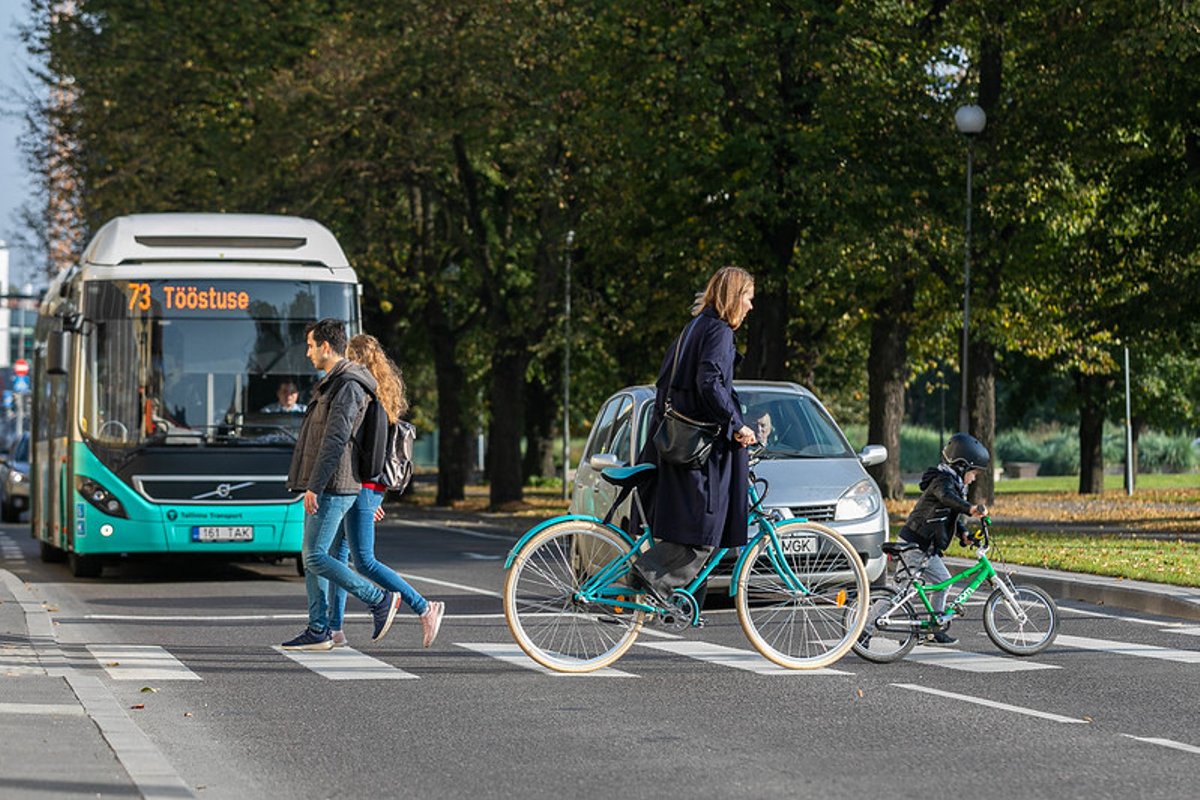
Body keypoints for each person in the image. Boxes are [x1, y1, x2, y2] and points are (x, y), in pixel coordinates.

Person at [630, 265, 757, 601]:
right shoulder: (718, 332)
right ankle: (648, 576)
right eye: (747, 297)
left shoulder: (693, 328)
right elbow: (710, 383)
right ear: (733, 297)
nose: (750, 306)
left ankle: (681, 605)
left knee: (690, 528)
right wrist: (737, 424)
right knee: (705, 531)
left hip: (675, 444)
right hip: (698, 453)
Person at [280, 319, 403, 651]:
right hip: (324, 481)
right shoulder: (332, 382)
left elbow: (335, 440)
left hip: (336, 483)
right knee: (313, 556)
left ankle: (378, 599)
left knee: (317, 556)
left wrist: (315, 486)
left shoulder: (348, 385)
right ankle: (319, 629)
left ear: (325, 346)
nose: (306, 353)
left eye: (309, 345)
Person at [325, 334, 445, 649]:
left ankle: (423, 606)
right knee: (338, 555)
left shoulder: (366, 393)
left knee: (363, 560)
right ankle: (334, 628)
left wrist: (366, 495)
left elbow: (366, 448)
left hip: (361, 483)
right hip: (366, 485)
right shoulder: (381, 391)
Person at [895, 432, 990, 646]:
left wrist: (963, 533)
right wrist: (971, 509)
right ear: (962, 466)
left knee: (942, 582)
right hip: (914, 545)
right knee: (901, 593)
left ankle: (933, 630)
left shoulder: (954, 483)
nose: (974, 478)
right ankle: (865, 630)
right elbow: (947, 499)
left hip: (927, 547)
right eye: (973, 473)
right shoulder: (942, 481)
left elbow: (948, 513)